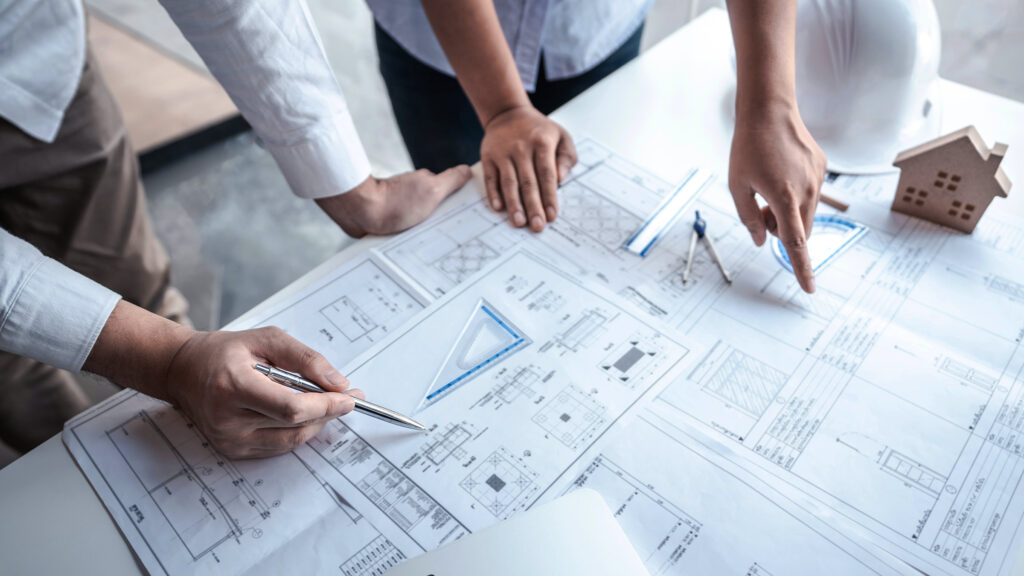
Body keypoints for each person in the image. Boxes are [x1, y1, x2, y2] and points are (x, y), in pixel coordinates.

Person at [0, 0, 471, 457]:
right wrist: (170, 363)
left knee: (136, 285)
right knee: (13, 370)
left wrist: (355, 190)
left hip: (30, 61)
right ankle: (71, 464)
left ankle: (176, 424)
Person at [368, 0, 825, 293]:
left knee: (569, 207)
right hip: (440, 36)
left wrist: (770, 106)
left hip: (593, 26)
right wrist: (504, 110)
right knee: (464, 222)